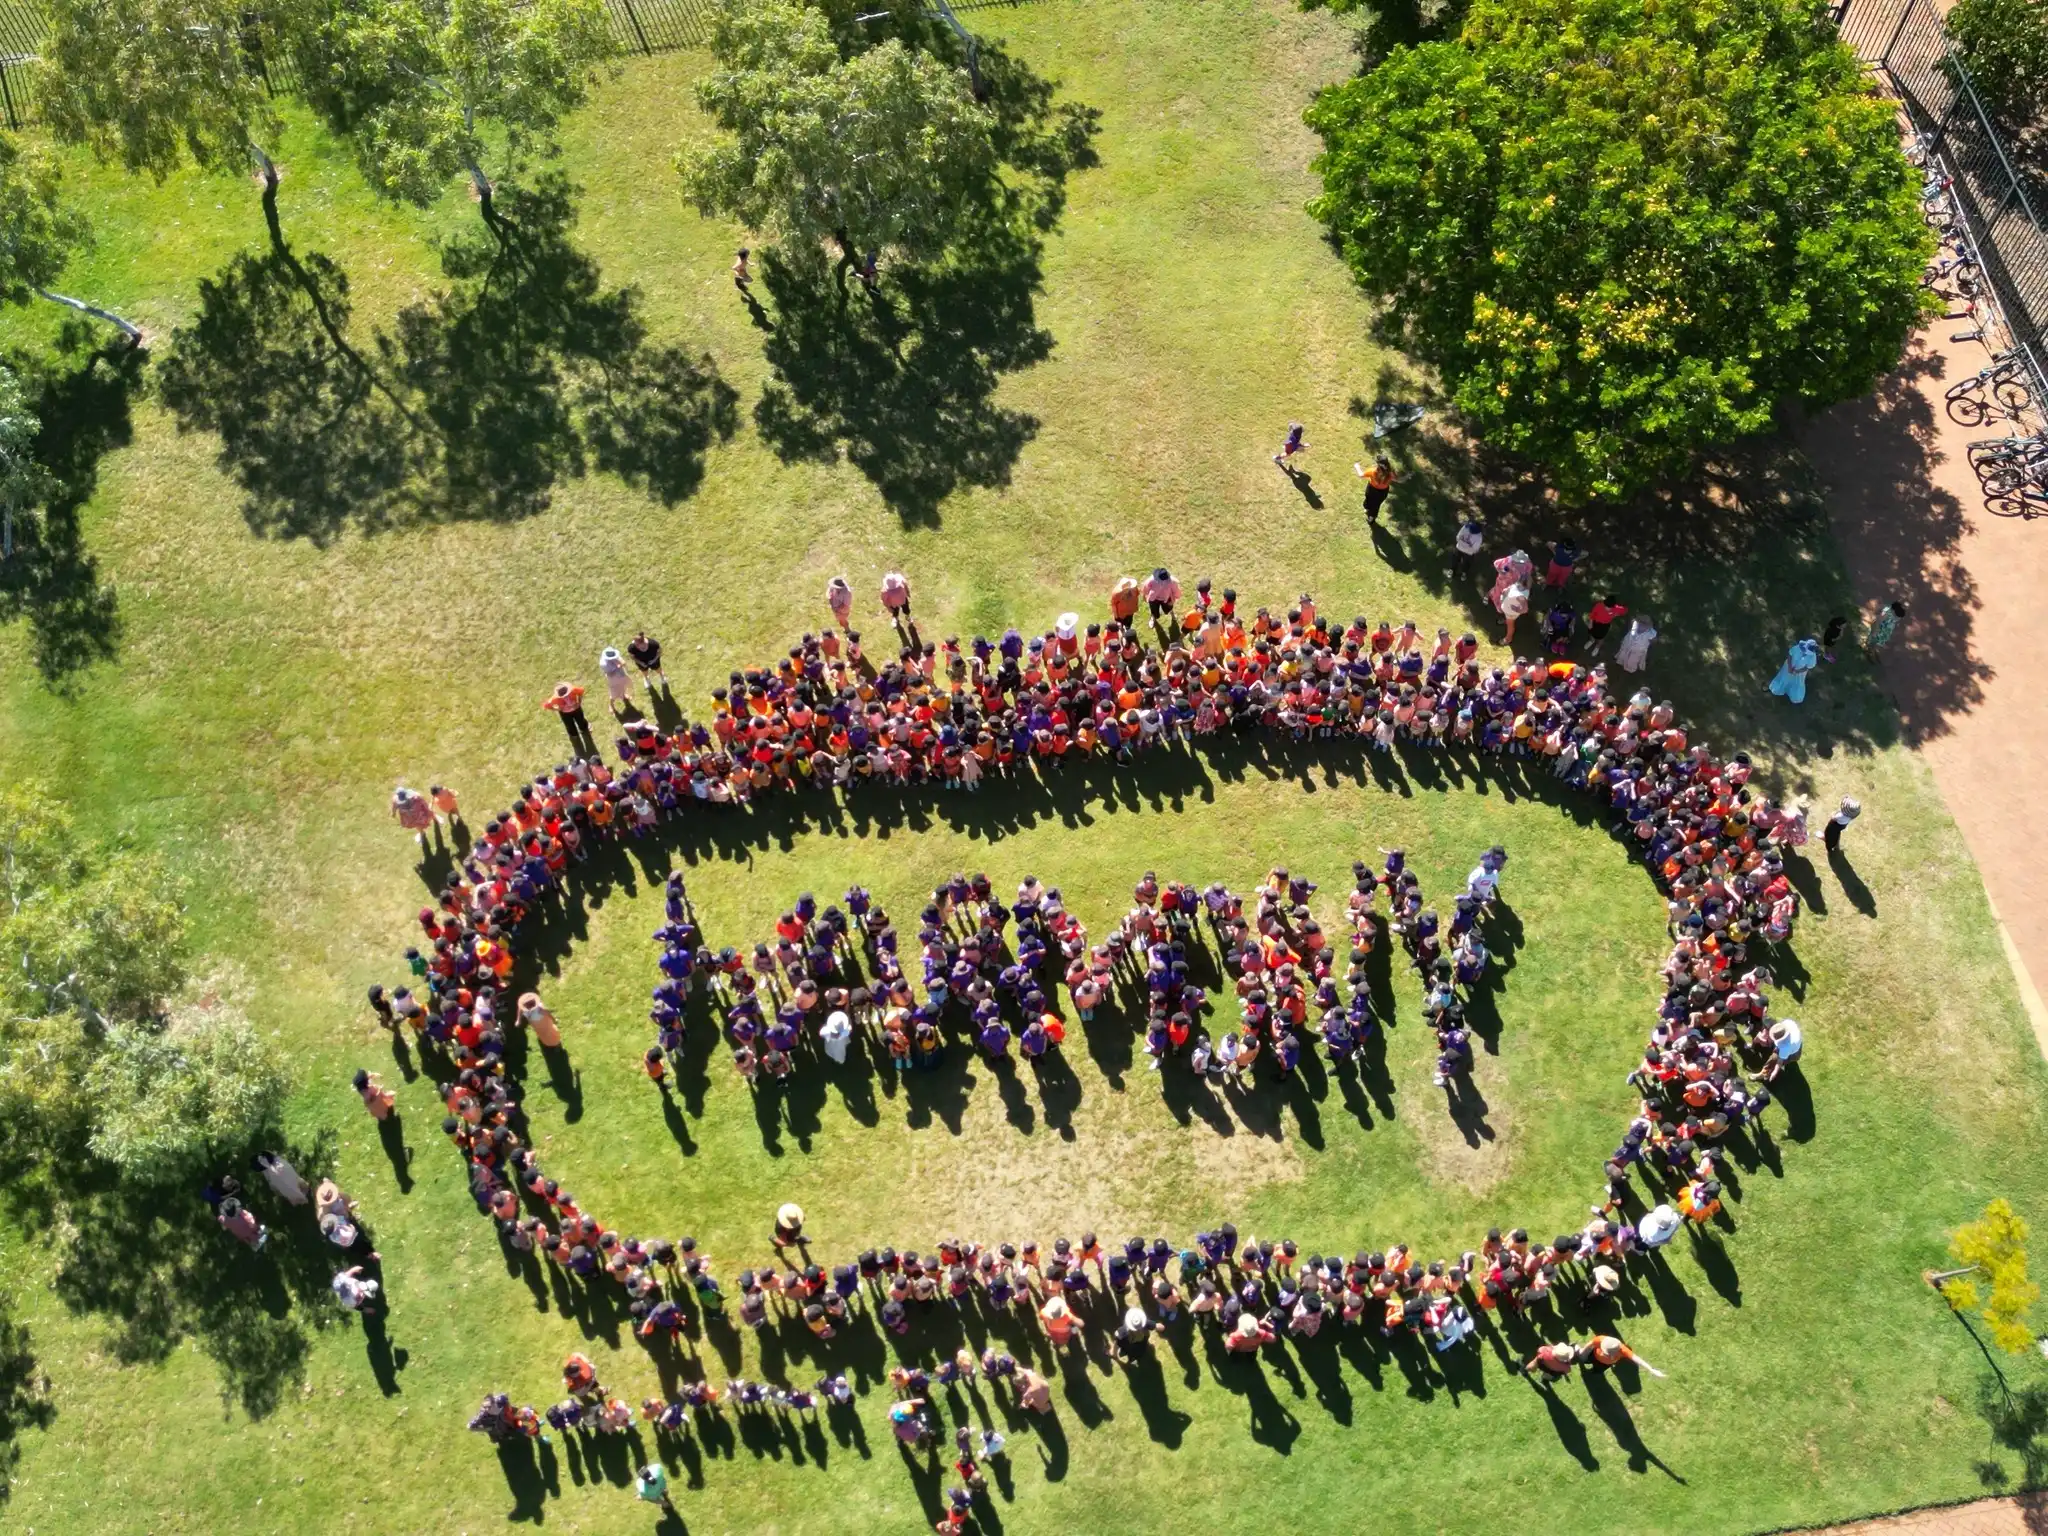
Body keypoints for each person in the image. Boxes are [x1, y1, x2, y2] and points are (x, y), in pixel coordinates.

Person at [544, 682, 595, 756]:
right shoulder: (555, 698)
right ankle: (574, 735)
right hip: (565, 714)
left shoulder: (573, 690)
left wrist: (579, 702)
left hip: (576, 709)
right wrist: (557, 709)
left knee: (581, 720)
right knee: (570, 725)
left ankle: (584, 729)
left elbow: (581, 691)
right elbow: (547, 705)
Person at [1769, 638, 1821, 705]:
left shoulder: (1812, 657)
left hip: (1800, 672)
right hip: (1788, 665)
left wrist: (1797, 671)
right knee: (1784, 677)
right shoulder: (1797, 648)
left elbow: (1806, 668)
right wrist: (1789, 667)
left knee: (1797, 683)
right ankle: (1778, 689)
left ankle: (1795, 697)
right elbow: (1790, 655)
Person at [1358, 456, 1395, 524]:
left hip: (1372, 489)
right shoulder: (1390, 474)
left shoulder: (1372, 471)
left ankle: (1367, 510)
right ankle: (1371, 518)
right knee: (1376, 505)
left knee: (1368, 499)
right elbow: (1397, 479)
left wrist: (1357, 467)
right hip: (1382, 493)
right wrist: (1406, 477)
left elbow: (1361, 475)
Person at [599, 648, 634, 716]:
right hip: (613, 679)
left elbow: (620, 660)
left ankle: (623, 696)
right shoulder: (604, 664)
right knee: (614, 694)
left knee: (623, 686)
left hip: (621, 674)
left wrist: (621, 662)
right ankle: (611, 705)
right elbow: (610, 673)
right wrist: (619, 666)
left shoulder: (614, 655)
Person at [1451, 514, 1485, 581]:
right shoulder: (1479, 536)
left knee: (1457, 559)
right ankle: (1461, 573)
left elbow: (1458, 538)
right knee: (1464, 562)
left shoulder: (1466, 527)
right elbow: (1475, 549)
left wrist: (1463, 544)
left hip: (1461, 548)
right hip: (1468, 552)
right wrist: (1468, 547)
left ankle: (1457, 572)